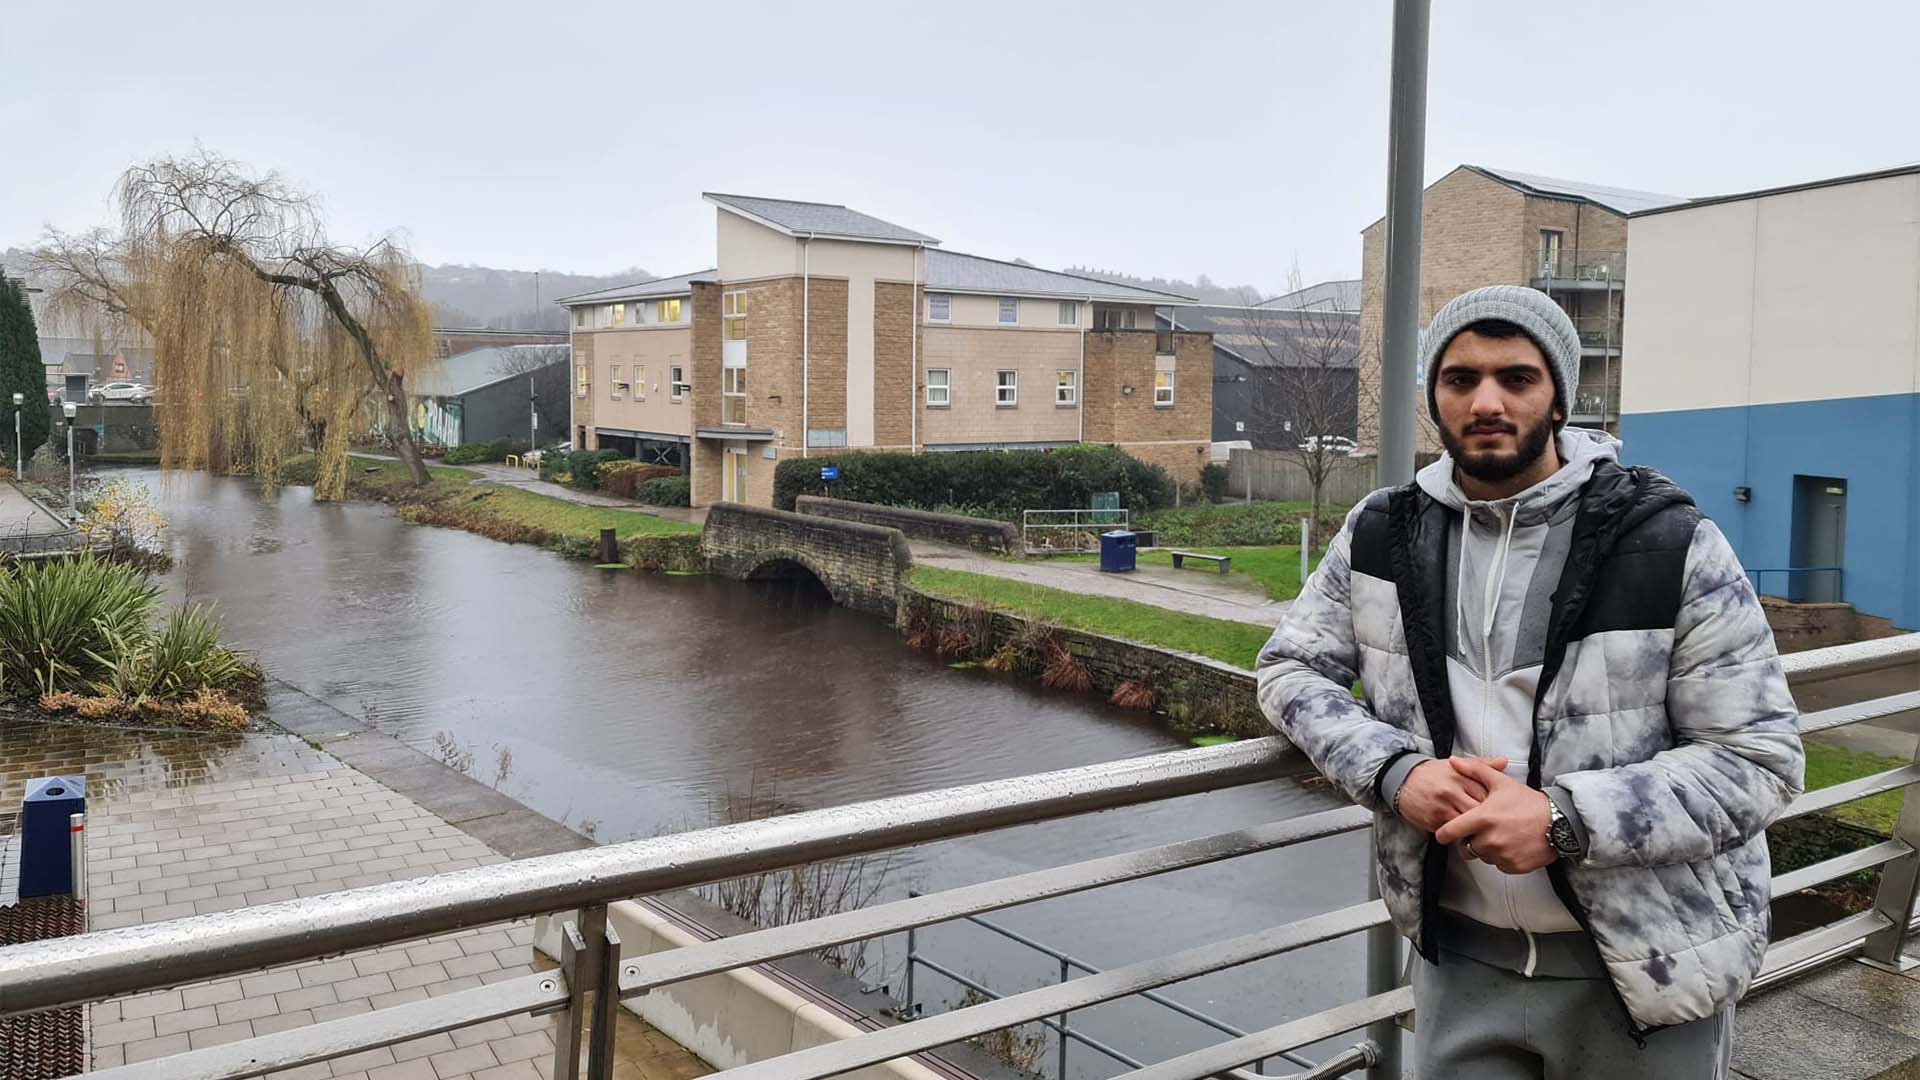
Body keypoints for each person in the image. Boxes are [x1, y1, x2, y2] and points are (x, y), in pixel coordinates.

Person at [1256, 285, 1803, 1078]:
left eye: (1516, 378)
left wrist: (1563, 819)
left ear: (1558, 399)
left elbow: (1758, 760)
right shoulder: (1381, 532)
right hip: (1459, 961)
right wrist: (1392, 772)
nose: (1486, 401)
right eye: (1459, 378)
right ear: (1434, 397)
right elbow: (1290, 668)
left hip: (1644, 966)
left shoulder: (1669, 543)